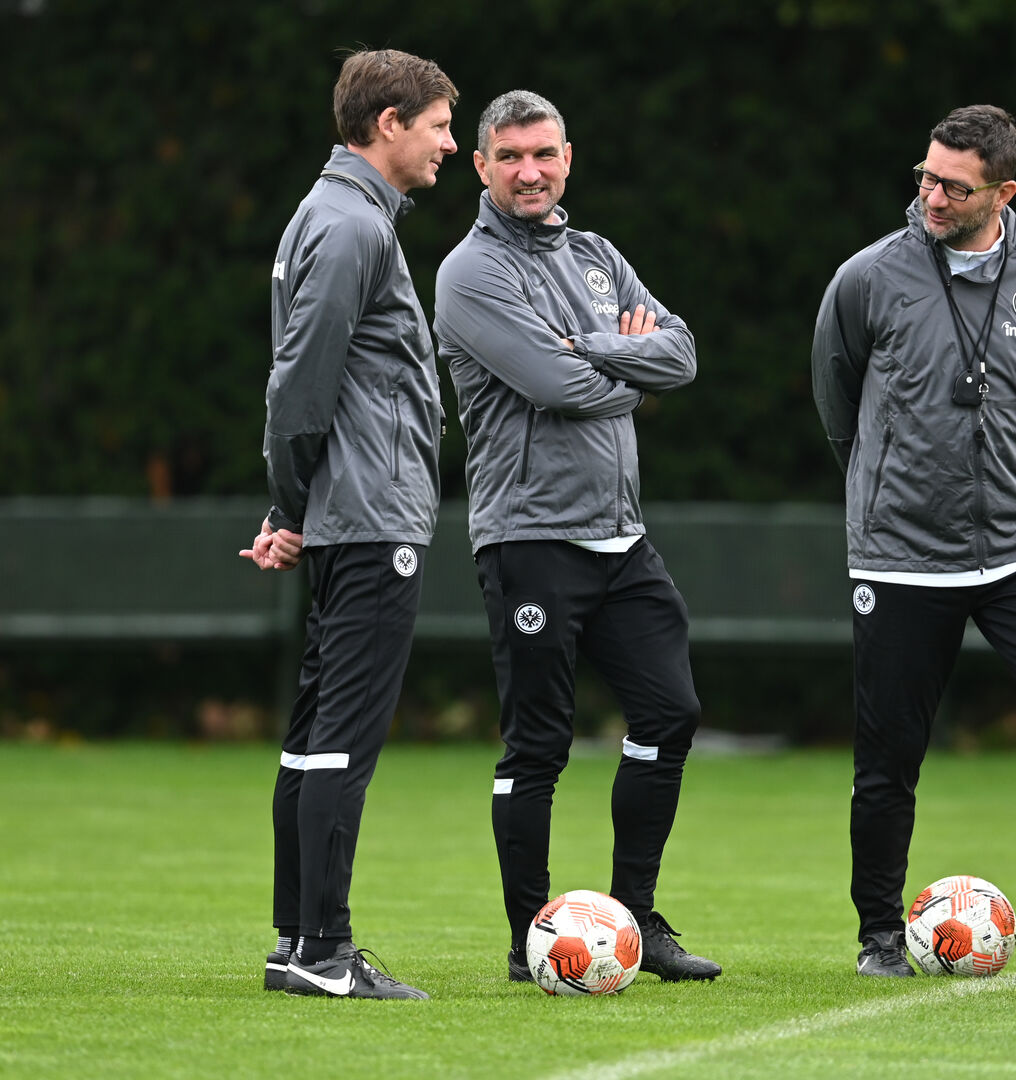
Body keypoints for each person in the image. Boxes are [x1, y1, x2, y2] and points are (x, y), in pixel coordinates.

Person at [811, 105, 1016, 977]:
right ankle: (880, 933)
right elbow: (836, 399)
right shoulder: (870, 276)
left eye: (954, 185)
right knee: (888, 754)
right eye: (925, 176)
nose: (932, 196)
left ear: (1003, 191)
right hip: (900, 552)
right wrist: (887, 481)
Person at [433, 89, 721, 984]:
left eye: (544, 154)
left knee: (671, 713)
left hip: (619, 537)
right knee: (539, 744)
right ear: (481, 165)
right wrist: (619, 360)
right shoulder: (469, 272)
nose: (530, 171)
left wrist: (584, 345)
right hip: (529, 539)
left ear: (568, 156)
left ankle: (635, 917)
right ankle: (533, 936)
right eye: (510, 156)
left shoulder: (596, 254)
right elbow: (563, 389)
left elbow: (683, 354)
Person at [239, 47, 459, 999]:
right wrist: (290, 504)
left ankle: (298, 943)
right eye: (442, 125)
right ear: (389, 124)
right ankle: (326, 951)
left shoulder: (339, 216)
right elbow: (301, 385)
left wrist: (298, 505)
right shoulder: (348, 226)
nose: (452, 143)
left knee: (312, 736)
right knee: (341, 739)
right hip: (370, 522)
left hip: (350, 514)